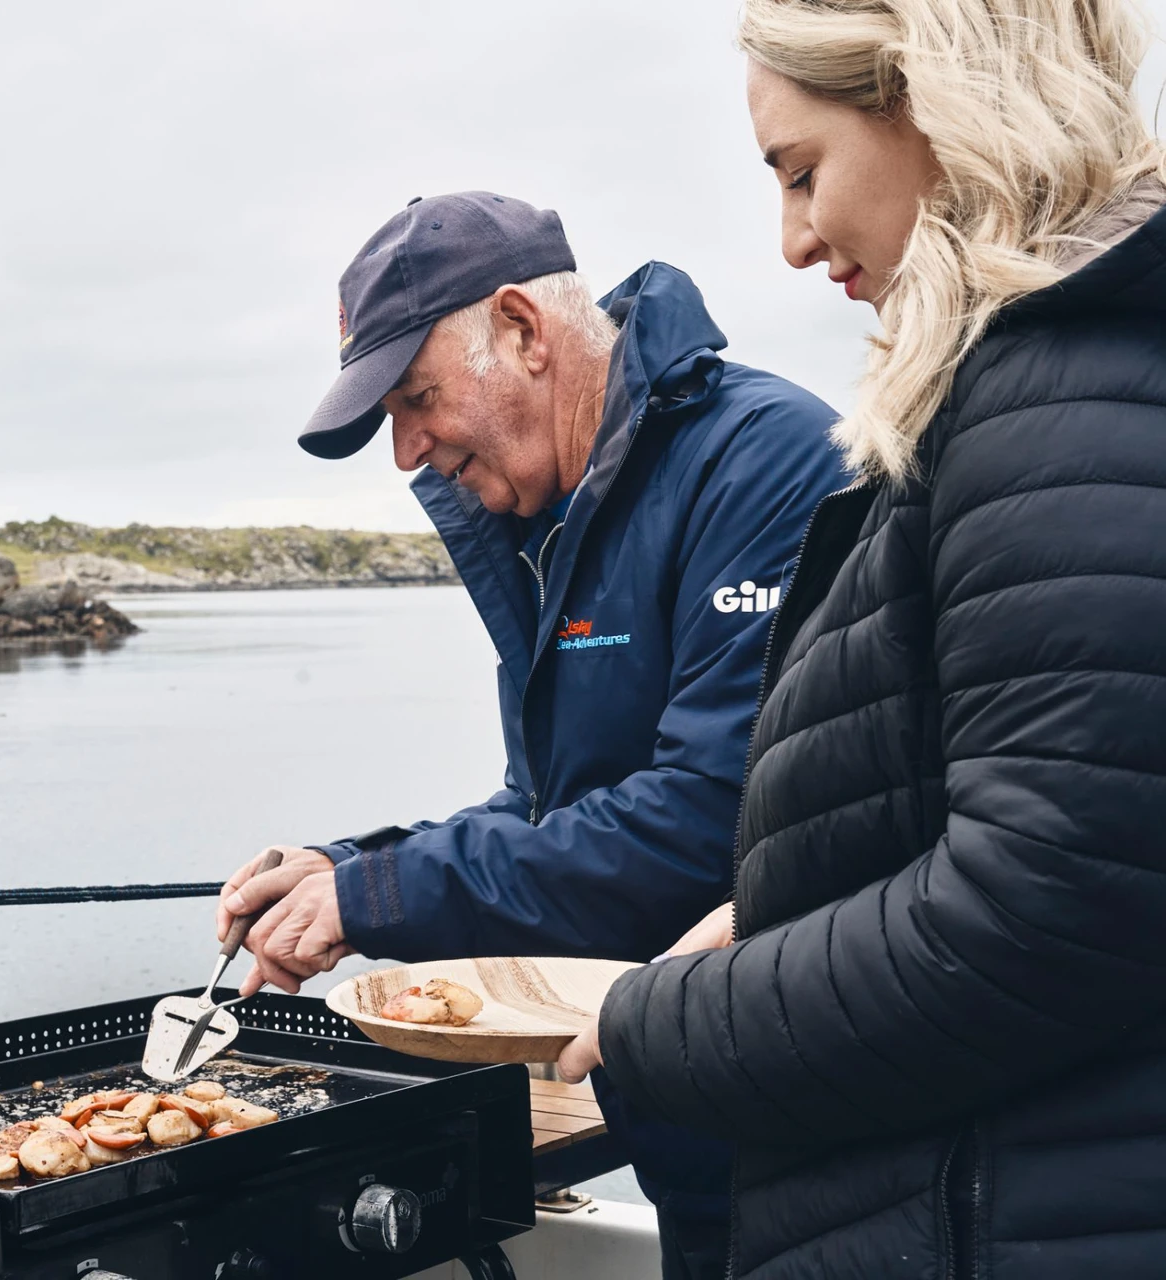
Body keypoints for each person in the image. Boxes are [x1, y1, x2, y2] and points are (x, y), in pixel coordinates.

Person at [561, 2, 1166, 1278]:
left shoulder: (1100, 392)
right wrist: (771, 913)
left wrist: (647, 1020)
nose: (792, 238)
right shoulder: (1134, 370)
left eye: (802, 170)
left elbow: (1039, 924)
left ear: (938, 99)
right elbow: (1066, 815)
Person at [214, 191, 851, 1277]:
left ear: (522, 327)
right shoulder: (554, 520)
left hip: (816, 1129)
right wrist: (351, 864)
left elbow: (715, 817)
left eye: (417, 397)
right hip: (687, 1120)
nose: (408, 450)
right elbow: (549, 806)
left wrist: (376, 899)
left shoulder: (765, 460)